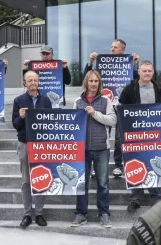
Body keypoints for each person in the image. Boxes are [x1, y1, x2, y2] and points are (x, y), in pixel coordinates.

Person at [84, 39, 140, 178]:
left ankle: (118, 165)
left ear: (123, 49)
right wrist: (90, 63)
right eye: (111, 47)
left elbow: (138, 80)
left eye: (115, 47)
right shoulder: (103, 63)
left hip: (122, 104)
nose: (112, 49)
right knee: (101, 135)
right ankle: (96, 166)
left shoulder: (129, 64)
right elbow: (87, 77)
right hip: (104, 103)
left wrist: (137, 63)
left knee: (120, 138)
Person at [118, 61, 161, 212]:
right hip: (134, 134)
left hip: (154, 134)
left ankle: (156, 196)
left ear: (153, 72)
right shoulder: (129, 89)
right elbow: (121, 108)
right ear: (138, 72)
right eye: (144, 71)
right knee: (134, 164)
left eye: (149, 71)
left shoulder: (159, 89)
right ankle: (136, 198)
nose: (147, 73)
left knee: (154, 163)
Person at [71, 70, 116, 228]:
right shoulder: (77, 101)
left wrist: (95, 113)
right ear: (86, 82)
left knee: (103, 183)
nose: (94, 84)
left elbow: (112, 120)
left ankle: (104, 214)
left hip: (101, 148)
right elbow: (72, 123)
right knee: (81, 183)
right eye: (91, 81)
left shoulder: (105, 100)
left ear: (99, 83)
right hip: (82, 149)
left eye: (96, 81)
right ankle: (81, 214)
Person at [12, 71, 52, 227]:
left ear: (38, 82)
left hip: (41, 145)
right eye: (30, 80)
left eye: (35, 80)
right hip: (25, 144)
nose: (33, 83)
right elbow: (15, 125)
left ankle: (40, 213)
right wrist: (20, 117)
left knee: (41, 178)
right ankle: (27, 213)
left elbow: (50, 123)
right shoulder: (18, 100)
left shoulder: (46, 100)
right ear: (24, 83)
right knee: (26, 181)